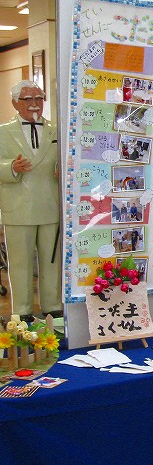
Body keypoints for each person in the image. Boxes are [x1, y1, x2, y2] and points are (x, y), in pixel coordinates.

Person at [0, 81, 62, 322]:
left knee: (51, 260)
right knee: (20, 263)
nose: (35, 104)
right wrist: (11, 167)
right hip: (18, 207)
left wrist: (62, 169)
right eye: (28, 99)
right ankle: (22, 309)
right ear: (15, 103)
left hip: (50, 205)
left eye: (39, 98)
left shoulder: (56, 130)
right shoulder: (3, 132)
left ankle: (52, 305)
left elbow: (68, 158)